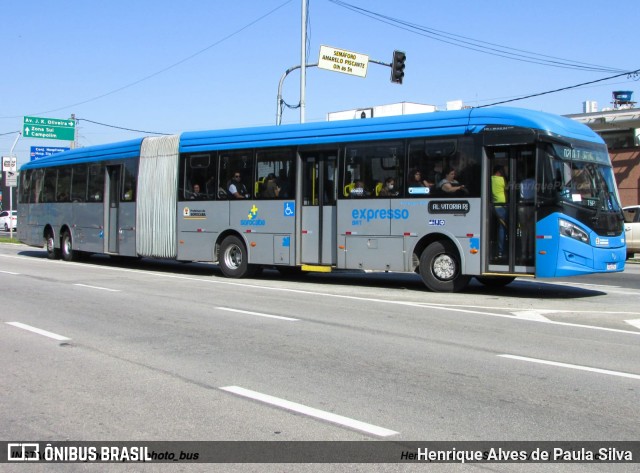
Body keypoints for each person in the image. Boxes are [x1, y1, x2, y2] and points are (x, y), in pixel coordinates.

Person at [518, 170, 536, 261]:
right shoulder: (535, 182)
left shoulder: (522, 182)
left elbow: (521, 195)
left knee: (524, 231)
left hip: (522, 207)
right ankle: (531, 253)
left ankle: (523, 253)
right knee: (531, 231)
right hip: (531, 206)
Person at [491, 164, 508, 259]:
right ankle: (501, 252)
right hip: (502, 206)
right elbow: (508, 188)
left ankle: (498, 250)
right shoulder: (501, 180)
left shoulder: (490, 179)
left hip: (494, 206)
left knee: (498, 228)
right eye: (502, 171)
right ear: (499, 171)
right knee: (502, 229)